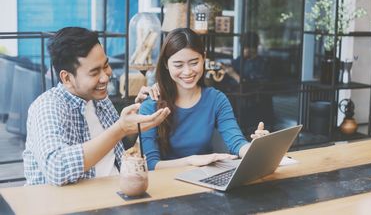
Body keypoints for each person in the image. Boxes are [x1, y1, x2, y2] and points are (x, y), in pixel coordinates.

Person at [22, 27, 170, 186]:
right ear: (66, 78)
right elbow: (57, 169)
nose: (105, 77)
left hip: (117, 194)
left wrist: (137, 115)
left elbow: (120, 144)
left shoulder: (99, 98)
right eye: (94, 73)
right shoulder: (48, 106)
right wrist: (120, 128)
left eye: (106, 65)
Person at [140, 28, 268, 171]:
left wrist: (257, 149)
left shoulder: (216, 99)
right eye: (178, 65)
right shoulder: (151, 105)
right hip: (166, 185)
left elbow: (236, 142)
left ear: (203, 58)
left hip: (205, 180)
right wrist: (191, 161)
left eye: (194, 62)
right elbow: (150, 164)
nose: (188, 71)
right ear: (166, 64)